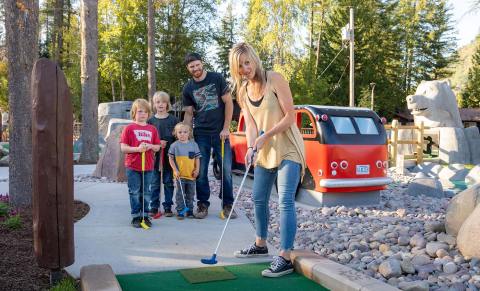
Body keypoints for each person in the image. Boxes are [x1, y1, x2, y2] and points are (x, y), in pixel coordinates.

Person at [228, 43, 306, 277]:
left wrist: (266, 136)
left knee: (285, 201)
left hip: (288, 147)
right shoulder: (242, 91)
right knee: (258, 198)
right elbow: (251, 125)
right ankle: (260, 244)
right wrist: (252, 147)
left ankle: (284, 256)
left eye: (247, 62)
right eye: (239, 66)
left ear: (255, 59)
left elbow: (291, 117)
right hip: (264, 149)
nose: (245, 69)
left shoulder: (275, 79)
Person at [182, 52, 236, 219]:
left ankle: (227, 205)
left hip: (221, 133)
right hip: (201, 134)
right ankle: (203, 204)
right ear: (188, 69)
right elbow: (189, 114)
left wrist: (226, 128)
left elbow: (229, 103)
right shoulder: (188, 88)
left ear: (202, 63)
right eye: (192, 66)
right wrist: (185, 133)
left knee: (226, 170)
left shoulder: (216, 78)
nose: (196, 68)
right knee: (201, 170)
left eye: (197, 65)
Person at [120, 99, 161, 228]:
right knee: (134, 191)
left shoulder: (152, 129)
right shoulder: (129, 128)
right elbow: (123, 148)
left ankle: (145, 215)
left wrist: (150, 146)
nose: (142, 114)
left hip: (148, 166)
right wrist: (137, 149)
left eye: (145, 112)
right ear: (134, 113)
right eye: (140, 111)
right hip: (133, 166)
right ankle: (136, 216)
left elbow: (157, 147)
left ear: (149, 114)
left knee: (146, 192)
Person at [148, 91, 179, 218]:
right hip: (154, 157)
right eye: (158, 102)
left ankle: (167, 207)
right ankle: (154, 206)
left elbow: (178, 137)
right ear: (154, 104)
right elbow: (147, 138)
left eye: (164, 102)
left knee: (168, 182)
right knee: (155, 183)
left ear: (168, 104)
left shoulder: (174, 120)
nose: (161, 104)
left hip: (169, 157)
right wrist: (157, 142)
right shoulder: (150, 121)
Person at [168, 122, 201, 219]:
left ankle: (190, 211)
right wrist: (175, 170)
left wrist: (197, 170)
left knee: (190, 194)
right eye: (180, 132)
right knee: (180, 194)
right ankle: (180, 211)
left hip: (191, 175)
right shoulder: (174, 145)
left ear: (189, 133)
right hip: (180, 175)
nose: (182, 134)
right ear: (176, 133)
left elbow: (197, 158)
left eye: (185, 132)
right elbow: (170, 158)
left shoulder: (194, 145)